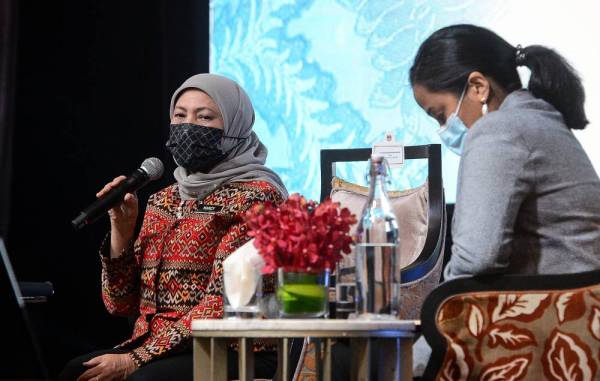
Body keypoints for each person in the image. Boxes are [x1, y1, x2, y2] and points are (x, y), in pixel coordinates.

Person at [60, 73, 288, 380]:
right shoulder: (163, 200)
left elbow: (224, 301)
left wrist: (135, 361)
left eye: (204, 117)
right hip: (160, 346)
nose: (188, 126)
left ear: (235, 127)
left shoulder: (258, 197)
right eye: (179, 116)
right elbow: (121, 303)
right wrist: (122, 231)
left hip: (233, 347)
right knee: (76, 371)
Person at [408, 24, 600, 376]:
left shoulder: (498, 131)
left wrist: (416, 359)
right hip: (578, 331)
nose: (444, 126)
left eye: (440, 113)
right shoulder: (541, 119)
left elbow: (476, 259)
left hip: (542, 331)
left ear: (478, 87)